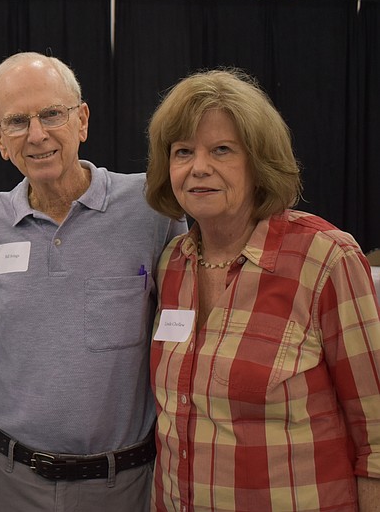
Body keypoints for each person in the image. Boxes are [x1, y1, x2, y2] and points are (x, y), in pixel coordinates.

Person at [145, 69, 380, 511]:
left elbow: (377, 434)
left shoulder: (325, 259)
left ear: (258, 162)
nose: (199, 167)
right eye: (183, 152)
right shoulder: (173, 262)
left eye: (221, 150)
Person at [0, 52, 186, 512]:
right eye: (17, 121)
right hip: (8, 480)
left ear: (81, 120)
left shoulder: (150, 210)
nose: (37, 134)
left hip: (121, 484)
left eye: (51, 114)